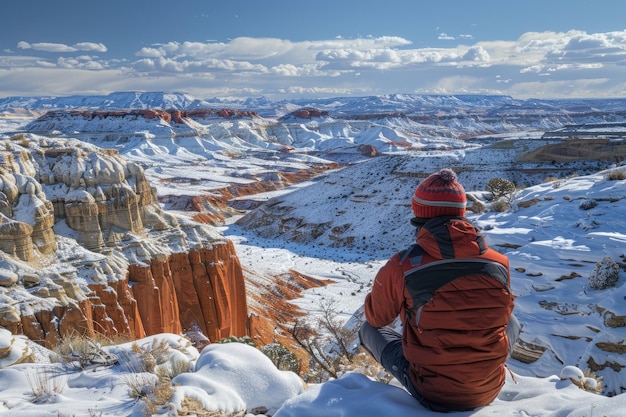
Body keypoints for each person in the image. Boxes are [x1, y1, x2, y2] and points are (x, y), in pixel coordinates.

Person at [359, 168, 520, 412]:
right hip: (489, 388)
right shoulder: (499, 263)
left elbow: (377, 318)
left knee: (367, 328)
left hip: (431, 392)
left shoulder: (403, 265)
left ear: (420, 216)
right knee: (513, 321)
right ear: (462, 213)